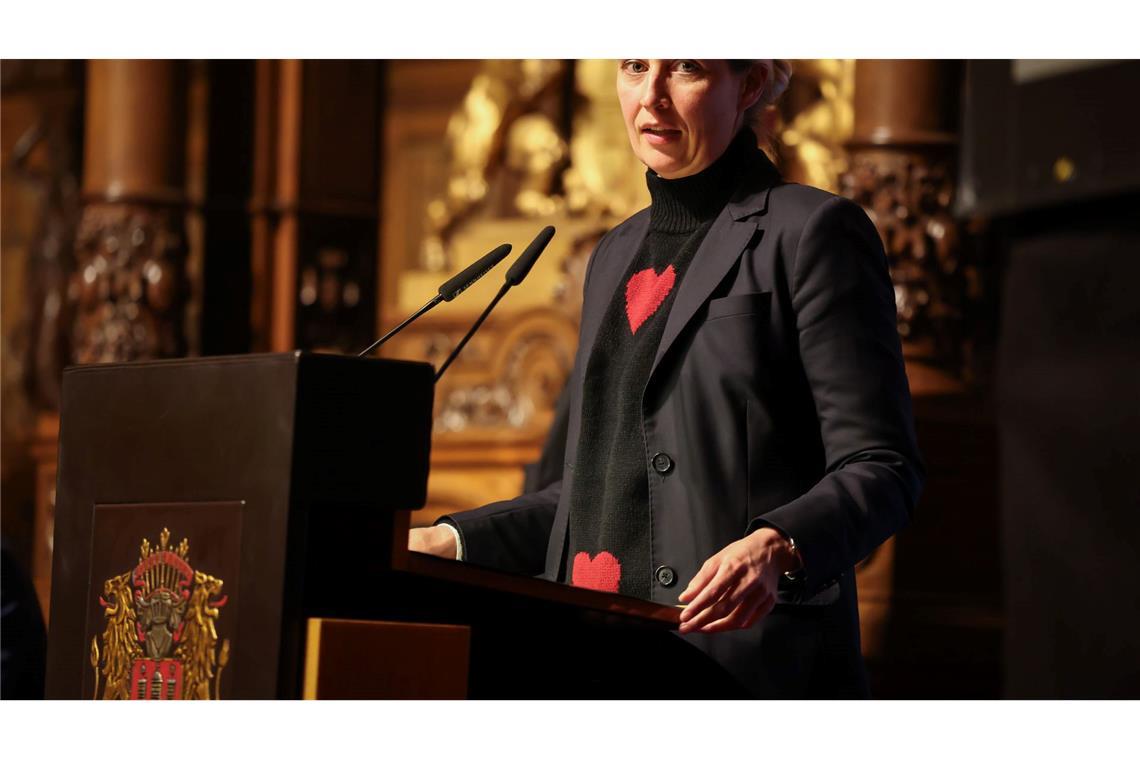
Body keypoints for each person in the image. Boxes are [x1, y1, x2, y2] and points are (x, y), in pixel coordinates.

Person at [410, 59, 925, 697]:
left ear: (751, 85)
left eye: (685, 68)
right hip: (583, 663)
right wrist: (452, 538)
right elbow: (590, 496)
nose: (651, 96)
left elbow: (884, 466)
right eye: (634, 66)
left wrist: (777, 544)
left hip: (737, 670)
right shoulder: (613, 256)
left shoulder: (812, 233)